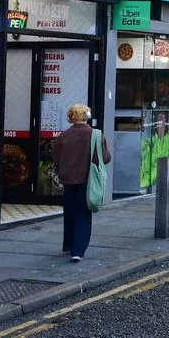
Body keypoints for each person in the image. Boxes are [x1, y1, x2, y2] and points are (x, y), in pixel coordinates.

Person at [53, 104, 111, 262]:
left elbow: (55, 159)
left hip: (67, 181)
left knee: (70, 212)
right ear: (87, 117)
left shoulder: (62, 136)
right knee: (83, 213)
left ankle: (68, 245)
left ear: (70, 118)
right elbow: (106, 158)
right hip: (88, 180)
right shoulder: (96, 135)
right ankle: (77, 250)